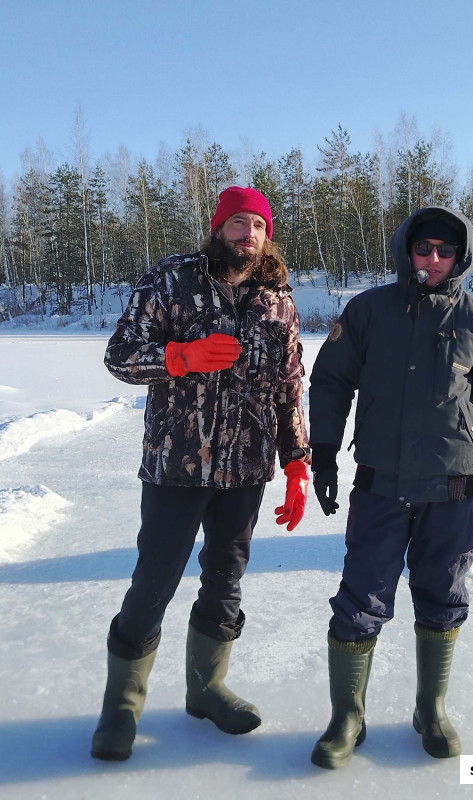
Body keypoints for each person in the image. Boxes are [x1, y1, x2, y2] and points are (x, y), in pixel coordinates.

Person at [92, 186, 311, 761]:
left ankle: (207, 689)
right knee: (155, 580)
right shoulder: (173, 277)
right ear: (218, 228)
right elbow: (119, 354)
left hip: (246, 470)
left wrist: (296, 462)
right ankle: (121, 706)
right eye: (238, 223)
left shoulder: (279, 300)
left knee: (226, 579)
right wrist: (176, 358)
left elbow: (289, 388)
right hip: (176, 465)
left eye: (258, 225)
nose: (249, 234)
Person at [308, 205, 473, 769]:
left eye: (444, 251)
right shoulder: (368, 311)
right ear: (408, 250)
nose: (432, 259)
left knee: (443, 598)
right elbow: (330, 381)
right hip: (380, 486)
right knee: (359, 601)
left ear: (460, 258)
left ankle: (430, 710)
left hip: (451, 491)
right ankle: (346, 717)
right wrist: (324, 453)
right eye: (423, 248)